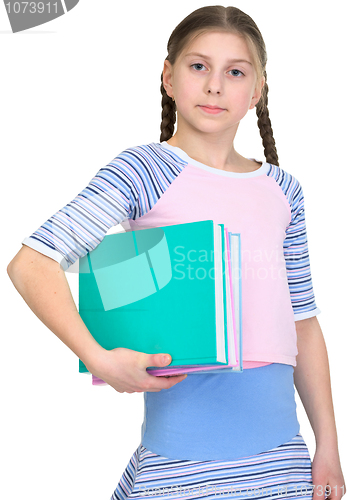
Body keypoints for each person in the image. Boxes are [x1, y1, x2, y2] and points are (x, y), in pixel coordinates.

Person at [7, 5, 345, 500]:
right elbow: (31, 263)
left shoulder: (282, 189)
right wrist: (96, 357)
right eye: (198, 66)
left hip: (282, 468)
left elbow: (303, 321)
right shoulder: (144, 169)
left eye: (235, 72)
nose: (214, 86)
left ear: (257, 91)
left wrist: (329, 445)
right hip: (179, 471)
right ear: (168, 77)